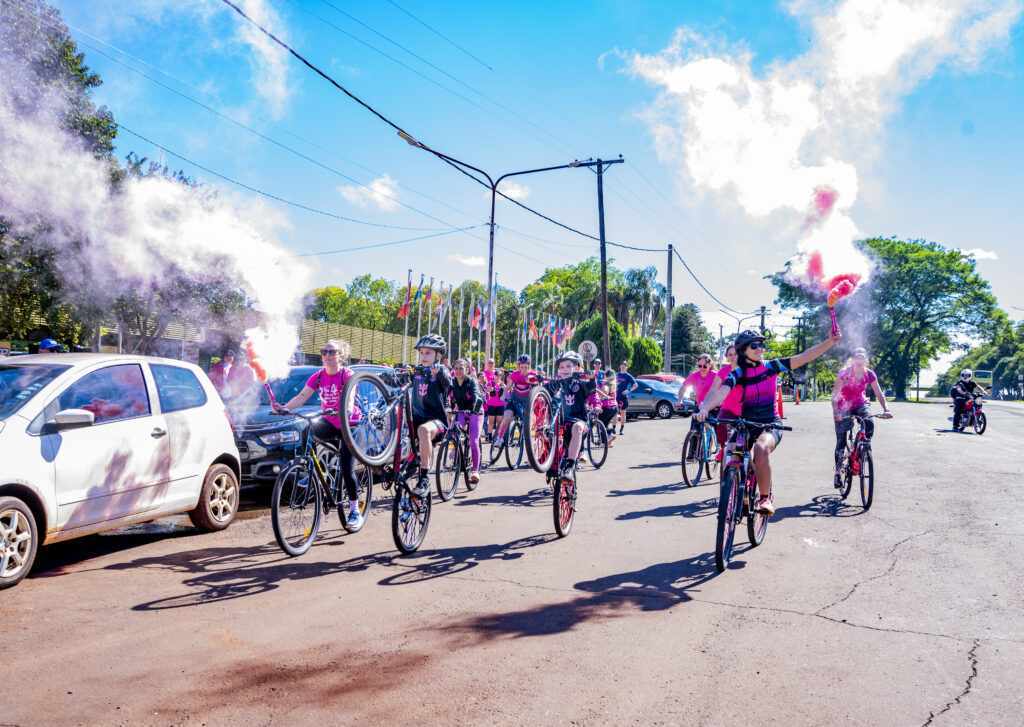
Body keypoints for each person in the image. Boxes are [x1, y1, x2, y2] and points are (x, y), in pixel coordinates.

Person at [698, 328, 841, 516]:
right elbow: (722, 392)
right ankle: (734, 491)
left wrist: (829, 342)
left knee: (760, 449)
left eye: (762, 345)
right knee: (730, 452)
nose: (760, 348)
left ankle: (765, 498)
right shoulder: (737, 373)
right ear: (744, 350)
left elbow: (804, 357)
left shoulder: (773, 366)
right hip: (746, 422)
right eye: (754, 345)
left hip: (770, 423)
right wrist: (704, 408)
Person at [273, 339, 365, 529]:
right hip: (331, 422)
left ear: (341, 356)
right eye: (325, 352)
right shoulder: (318, 376)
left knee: (346, 468)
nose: (328, 355)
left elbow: (350, 396)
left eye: (332, 352)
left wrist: (346, 409)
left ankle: (355, 511)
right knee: (307, 430)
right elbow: (301, 396)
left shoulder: (347, 374)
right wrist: (284, 408)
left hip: (350, 424)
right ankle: (313, 470)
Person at [831, 347, 892, 488]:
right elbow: (834, 394)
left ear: (865, 361)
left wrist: (886, 409)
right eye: (856, 358)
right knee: (841, 441)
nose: (859, 361)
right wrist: (836, 412)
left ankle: (861, 448)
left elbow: (879, 393)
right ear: (852, 360)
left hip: (860, 403)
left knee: (869, 422)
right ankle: (838, 474)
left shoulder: (870, 374)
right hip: (843, 405)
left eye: (862, 358)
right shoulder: (844, 373)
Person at [409, 334, 452, 497]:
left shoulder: (442, 371)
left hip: (437, 423)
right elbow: (399, 382)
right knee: (393, 416)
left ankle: (425, 478)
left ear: (438, 355)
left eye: (428, 353)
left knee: (423, 430)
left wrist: (439, 372)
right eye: (421, 353)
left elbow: (448, 382)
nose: (423, 356)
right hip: (416, 419)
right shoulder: (417, 371)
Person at [544, 350, 597, 481]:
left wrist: (592, 378)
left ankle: (570, 466)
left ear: (577, 368)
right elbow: (539, 390)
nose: (564, 369)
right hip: (560, 425)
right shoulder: (555, 385)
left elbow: (591, 387)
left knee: (577, 427)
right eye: (561, 367)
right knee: (548, 431)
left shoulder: (581, 384)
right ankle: (550, 462)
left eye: (568, 366)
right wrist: (533, 381)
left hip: (578, 425)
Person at [450, 358, 484, 484]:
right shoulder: (452, 382)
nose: (458, 371)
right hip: (462, 409)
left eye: (461, 368)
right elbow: (446, 394)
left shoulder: (471, 381)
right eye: (456, 368)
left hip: (476, 408)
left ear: (467, 370)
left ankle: (475, 471)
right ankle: (455, 448)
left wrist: (475, 408)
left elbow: (475, 395)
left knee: (473, 439)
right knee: (452, 431)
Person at [706, 345, 743, 462]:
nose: (733, 357)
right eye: (730, 355)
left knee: (743, 442)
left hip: (745, 410)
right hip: (728, 409)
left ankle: (746, 469)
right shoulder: (723, 371)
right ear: (727, 357)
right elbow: (713, 390)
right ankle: (724, 448)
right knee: (721, 425)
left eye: (735, 354)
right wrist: (703, 406)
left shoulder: (747, 370)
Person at [496, 354, 538, 441]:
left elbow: (538, 386)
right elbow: (508, 387)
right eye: (522, 367)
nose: (523, 369)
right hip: (514, 399)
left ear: (529, 366)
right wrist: (503, 395)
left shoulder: (532, 375)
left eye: (526, 367)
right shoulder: (515, 374)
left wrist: (533, 381)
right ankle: (499, 438)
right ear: (519, 366)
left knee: (526, 423)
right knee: (507, 417)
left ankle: (525, 440)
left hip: (527, 401)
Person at [482, 362, 505, 441]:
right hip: (491, 404)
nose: (498, 377)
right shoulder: (490, 383)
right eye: (496, 375)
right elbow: (487, 390)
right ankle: (489, 437)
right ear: (494, 376)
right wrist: (490, 389)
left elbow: (507, 392)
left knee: (499, 422)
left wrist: (505, 387)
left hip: (500, 405)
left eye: (499, 376)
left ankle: (498, 437)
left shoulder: (502, 384)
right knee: (491, 422)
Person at [615, 360, 639, 435]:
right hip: (615, 397)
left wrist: (628, 390)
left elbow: (636, 385)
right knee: (615, 413)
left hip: (623, 397)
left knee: (623, 413)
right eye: (622, 364)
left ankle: (621, 429)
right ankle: (613, 428)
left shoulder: (628, 376)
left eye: (624, 365)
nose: (623, 366)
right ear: (620, 366)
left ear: (626, 367)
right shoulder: (616, 375)